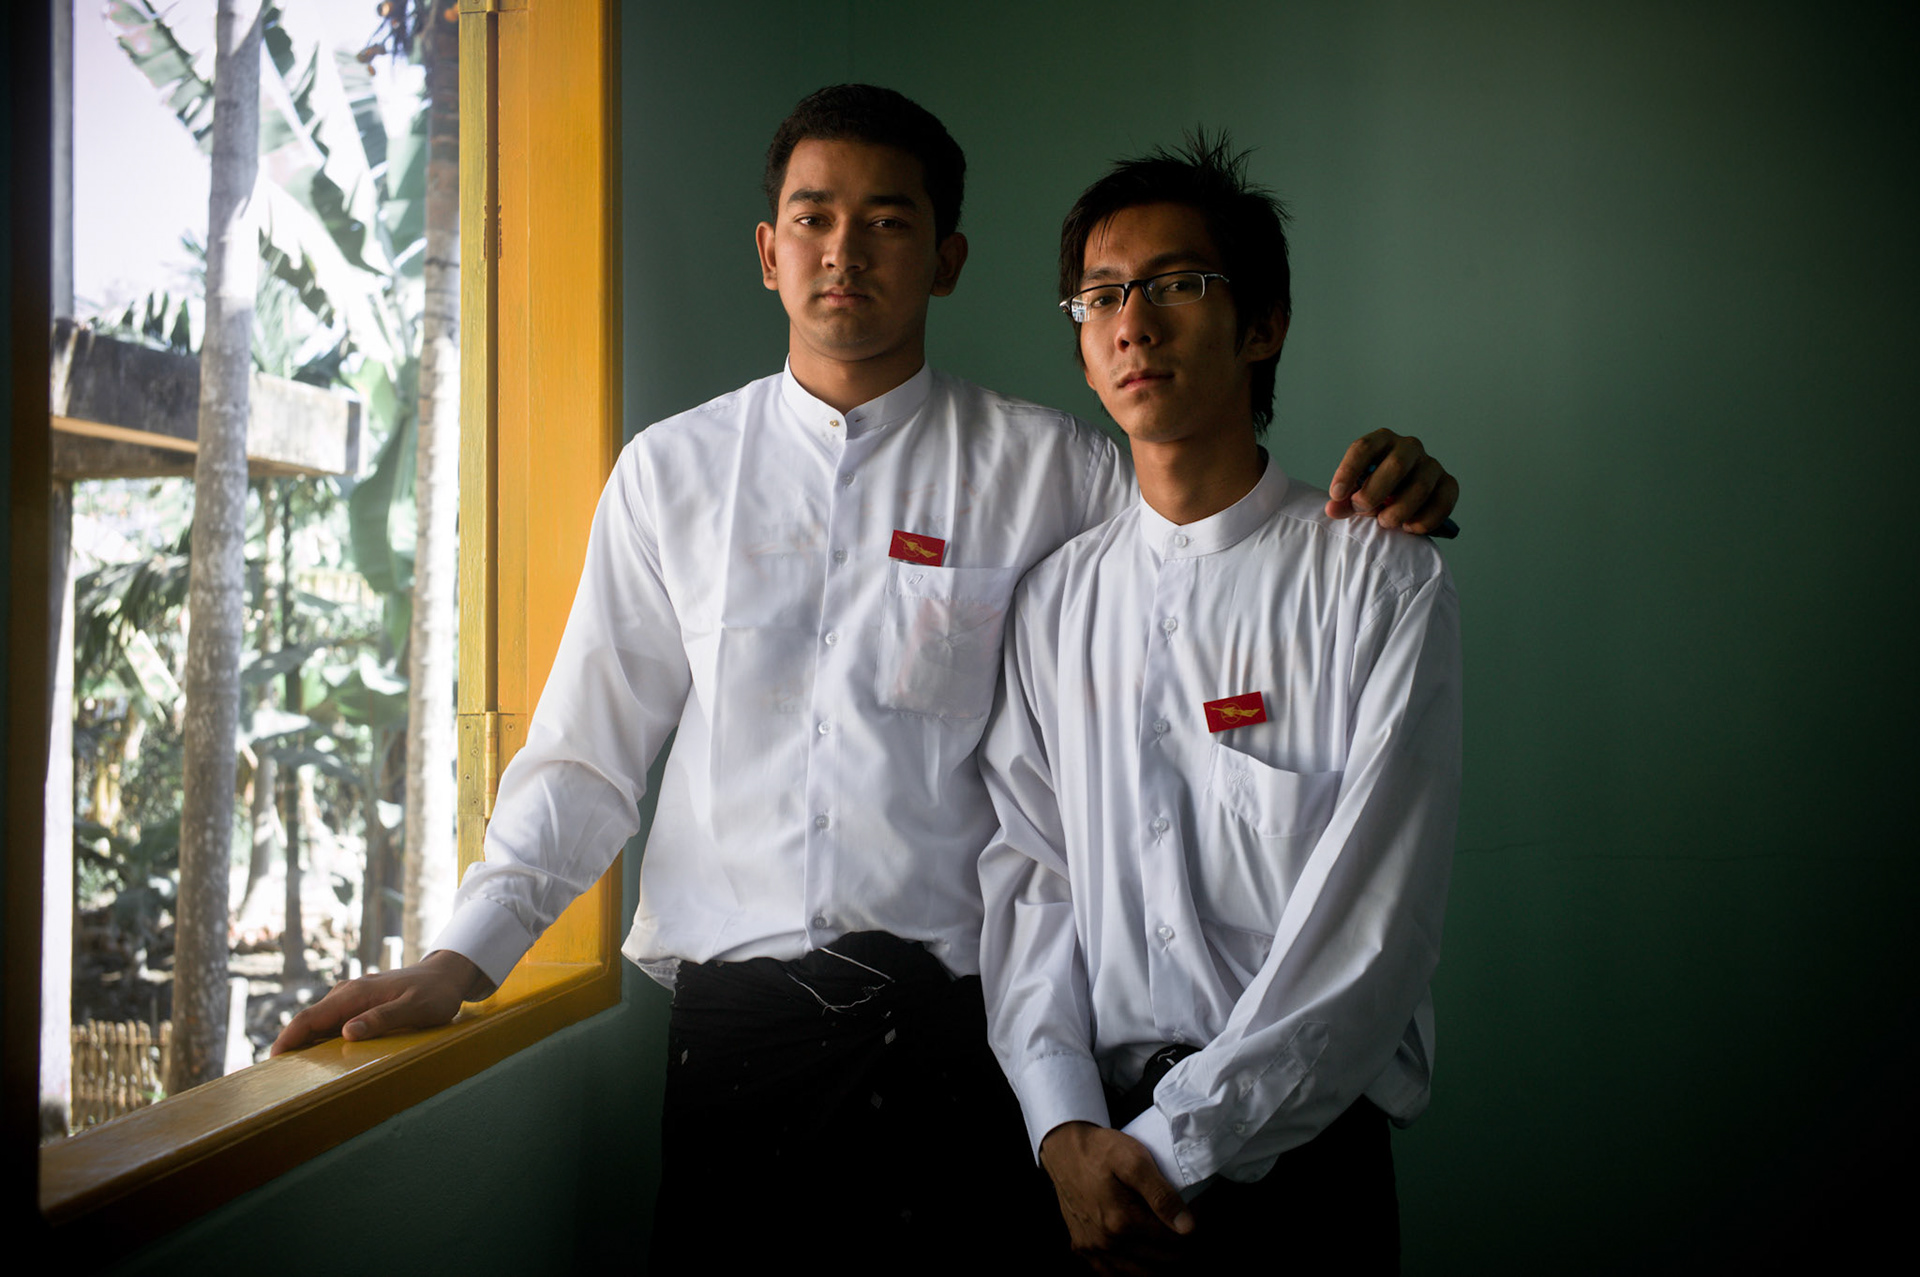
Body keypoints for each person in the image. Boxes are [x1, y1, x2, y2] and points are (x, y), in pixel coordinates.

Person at [272, 88, 1459, 1266]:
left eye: (889, 221)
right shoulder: (670, 475)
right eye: (814, 217)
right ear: (768, 250)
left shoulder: (1055, 471)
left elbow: (1197, 534)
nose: (845, 251)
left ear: (945, 259)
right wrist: (461, 955)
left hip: (954, 1045)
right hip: (738, 1042)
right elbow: (588, 749)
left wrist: (1387, 492)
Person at [978, 135, 1461, 1275]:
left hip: (1298, 1161)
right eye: (1100, 295)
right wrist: (1062, 1129)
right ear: (1087, 352)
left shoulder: (1377, 579)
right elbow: (1029, 876)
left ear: (1264, 324)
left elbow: (1370, 931)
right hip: (1093, 1165)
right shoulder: (1053, 602)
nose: (1133, 320)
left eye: (1178, 283)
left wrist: (1161, 1146)